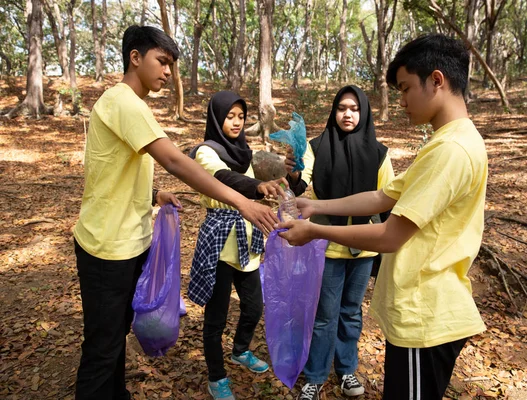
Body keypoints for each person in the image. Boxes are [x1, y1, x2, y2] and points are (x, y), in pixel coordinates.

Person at [72, 26, 278, 400]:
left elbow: (110, 170)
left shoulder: (129, 104)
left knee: (114, 338)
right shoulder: (125, 103)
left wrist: (154, 194)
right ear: (135, 58)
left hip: (126, 243)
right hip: (106, 248)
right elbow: (175, 160)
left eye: (171, 64)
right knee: (102, 349)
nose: (168, 71)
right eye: (162, 61)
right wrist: (242, 201)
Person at [278, 34, 488, 400]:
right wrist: (318, 207)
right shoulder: (444, 143)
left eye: (406, 88)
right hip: (421, 311)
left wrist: (313, 231)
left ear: (436, 81)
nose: (401, 100)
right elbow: (382, 196)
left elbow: (391, 235)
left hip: (426, 316)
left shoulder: (451, 149)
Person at [284, 85, 394, 400]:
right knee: (325, 314)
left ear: (364, 113)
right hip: (326, 244)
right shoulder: (316, 147)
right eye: (342, 108)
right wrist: (292, 173)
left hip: (363, 247)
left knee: (351, 311)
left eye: (354, 108)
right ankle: (315, 377)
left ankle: (346, 371)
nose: (348, 114)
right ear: (334, 111)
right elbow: (301, 185)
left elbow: (387, 202)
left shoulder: (380, 154)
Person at [187, 91, 286, 400]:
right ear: (217, 118)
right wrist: (256, 187)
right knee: (215, 317)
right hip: (220, 240)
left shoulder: (247, 152)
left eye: (241, 117)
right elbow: (223, 178)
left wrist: (287, 170)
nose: (235, 122)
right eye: (229, 116)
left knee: (254, 305)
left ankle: (240, 350)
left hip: (248, 237)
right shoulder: (205, 151)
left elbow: (278, 177)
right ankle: (216, 377)